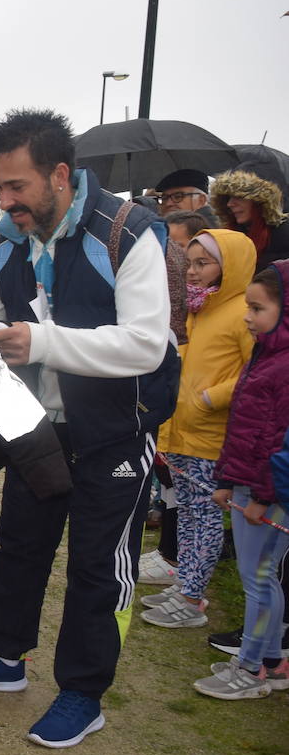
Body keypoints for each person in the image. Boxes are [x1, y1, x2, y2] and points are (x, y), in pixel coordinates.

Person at [0, 109, 178, 749]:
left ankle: (82, 692)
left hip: (117, 429)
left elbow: (147, 345)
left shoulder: (129, 232)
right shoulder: (0, 242)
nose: (6, 200)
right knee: (19, 542)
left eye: (17, 187)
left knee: (99, 563)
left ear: (60, 176)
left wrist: (42, 340)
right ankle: (4, 659)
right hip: (36, 426)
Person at [138, 230, 254, 629]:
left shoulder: (242, 312)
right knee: (185, 514)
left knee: (204, 518)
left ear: (231, 266)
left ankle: (192, 598)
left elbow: (255, 375)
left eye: (203, 263)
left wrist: (209, 399)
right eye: (190, 263)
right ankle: (185, 582)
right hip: (182, 430)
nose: (193, 272)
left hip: (211, 435)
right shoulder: (196, 308)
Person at [195, 260, 289, 698]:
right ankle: (270, 660)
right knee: (261, 578)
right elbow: (247, 432)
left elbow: (279, 444)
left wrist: (260, 498)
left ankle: (251, 668)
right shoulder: (265, 356)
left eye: (258, 309)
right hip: (249, 488)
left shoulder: (284, 368)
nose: (248, 318)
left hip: (266, 497)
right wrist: (228, 481)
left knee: (259, 580)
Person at [136, 209, 214, 590]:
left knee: (197, 506)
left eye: (181, 249)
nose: (181, 264)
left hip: (202, 424)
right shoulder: (193, 307)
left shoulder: (211, 311)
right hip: (180, 420)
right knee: (171, 488)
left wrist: (209, 398)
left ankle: (184, 578)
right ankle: (171, 556)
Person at [210, 170, 289, 269]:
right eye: (228, 199)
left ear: (258, 201)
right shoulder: (230, 235)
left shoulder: (284, 233)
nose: (229, 204)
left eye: (238, 197)